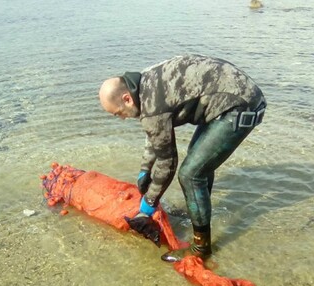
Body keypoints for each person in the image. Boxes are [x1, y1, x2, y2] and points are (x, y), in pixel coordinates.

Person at [98, 54, 266, 262]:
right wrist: (144, 170)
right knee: (199, 164)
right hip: (230, 99)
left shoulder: (152, 109)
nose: (122, 118)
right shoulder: (145, 82)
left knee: (190, 175)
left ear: (127, 98)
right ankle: (197, 213)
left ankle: (200, 248)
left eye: (119, 113)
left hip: (239, 107)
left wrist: (147, 207)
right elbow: (157, 136)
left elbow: (168, 163)